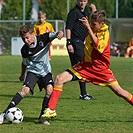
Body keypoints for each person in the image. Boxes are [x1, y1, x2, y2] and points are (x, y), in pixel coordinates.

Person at [41, 10, 133, 120]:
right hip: (86, 66)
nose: (92, 26)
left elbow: (98, 46)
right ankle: (51, 110)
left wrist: (89, 28)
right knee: (59, 79)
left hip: (100, 69)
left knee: (119, 92)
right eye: (91, 23)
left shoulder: (105, 33)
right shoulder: (92, 28)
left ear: (102, 24)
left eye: (94, 24)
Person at [0, 25, 63, 125]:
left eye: (27, 37)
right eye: (23, 39)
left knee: (50, 89)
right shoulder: (24, 50)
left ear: (33, 34)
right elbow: (24, 63)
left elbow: (57, 33)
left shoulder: (44, 38)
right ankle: (3, 114)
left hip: (46, 72)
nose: (26, 41)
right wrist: (22, 74)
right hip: (33, 71)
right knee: (25, 90)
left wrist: (60, 33)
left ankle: (42, 118)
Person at [66, 0, 96, 100]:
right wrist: (69, 42)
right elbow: (68, 28)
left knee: (77, 68)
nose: (82, 3)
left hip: (80, 42)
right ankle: (83, 94)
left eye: (84, 1)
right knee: (81, 67)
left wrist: (94, 10)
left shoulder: (84, 13)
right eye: (80, 1)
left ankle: (83, 93)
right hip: (75, 42)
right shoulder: (73, 12)